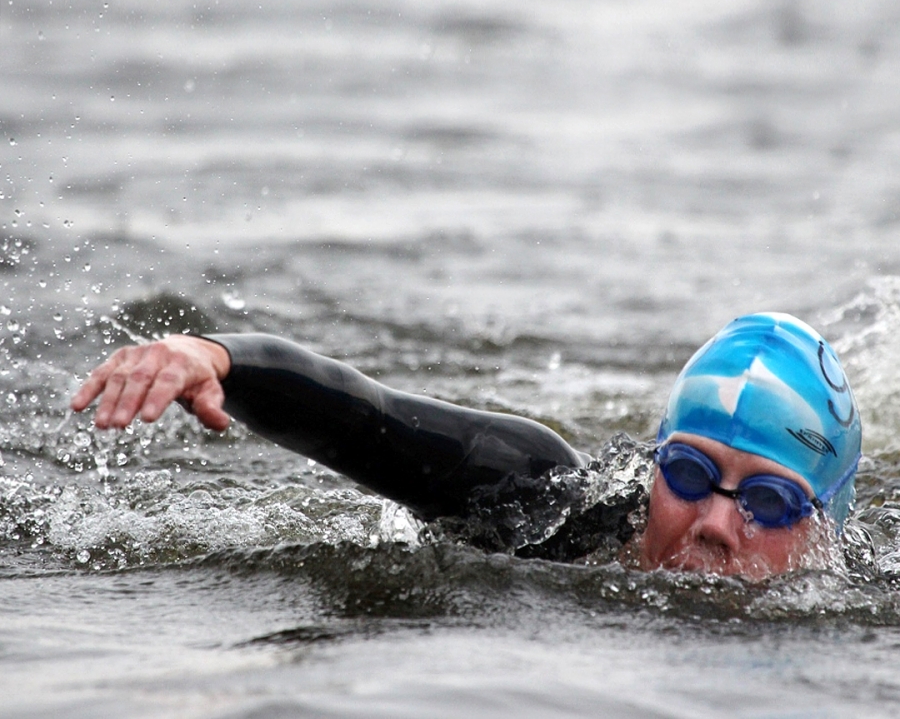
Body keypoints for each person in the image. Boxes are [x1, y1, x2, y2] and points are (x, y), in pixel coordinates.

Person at [70, 311, 861, 579]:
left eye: (768, 501)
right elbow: (366, 420)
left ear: (826, 526)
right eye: (688, 474)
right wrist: (214, 357)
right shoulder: (547, 507)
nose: (716, 526)